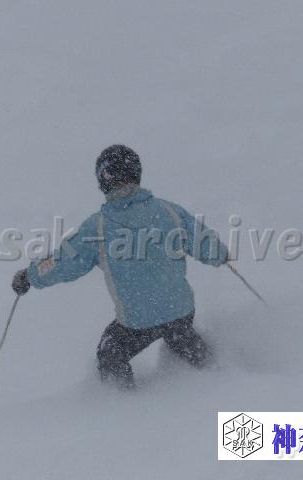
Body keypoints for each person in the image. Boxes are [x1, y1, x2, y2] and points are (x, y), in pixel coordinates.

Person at [12, 145, 228, 388]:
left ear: (104, 180)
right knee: (180, 336)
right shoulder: (169, 212)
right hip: (179, 312)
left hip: (137, 322)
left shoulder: (99, 227)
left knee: (111, 350)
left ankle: (121, 402)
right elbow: (205, 243)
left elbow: (64, 262)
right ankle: (219, 374)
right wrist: (220, 254)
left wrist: (31, 276)